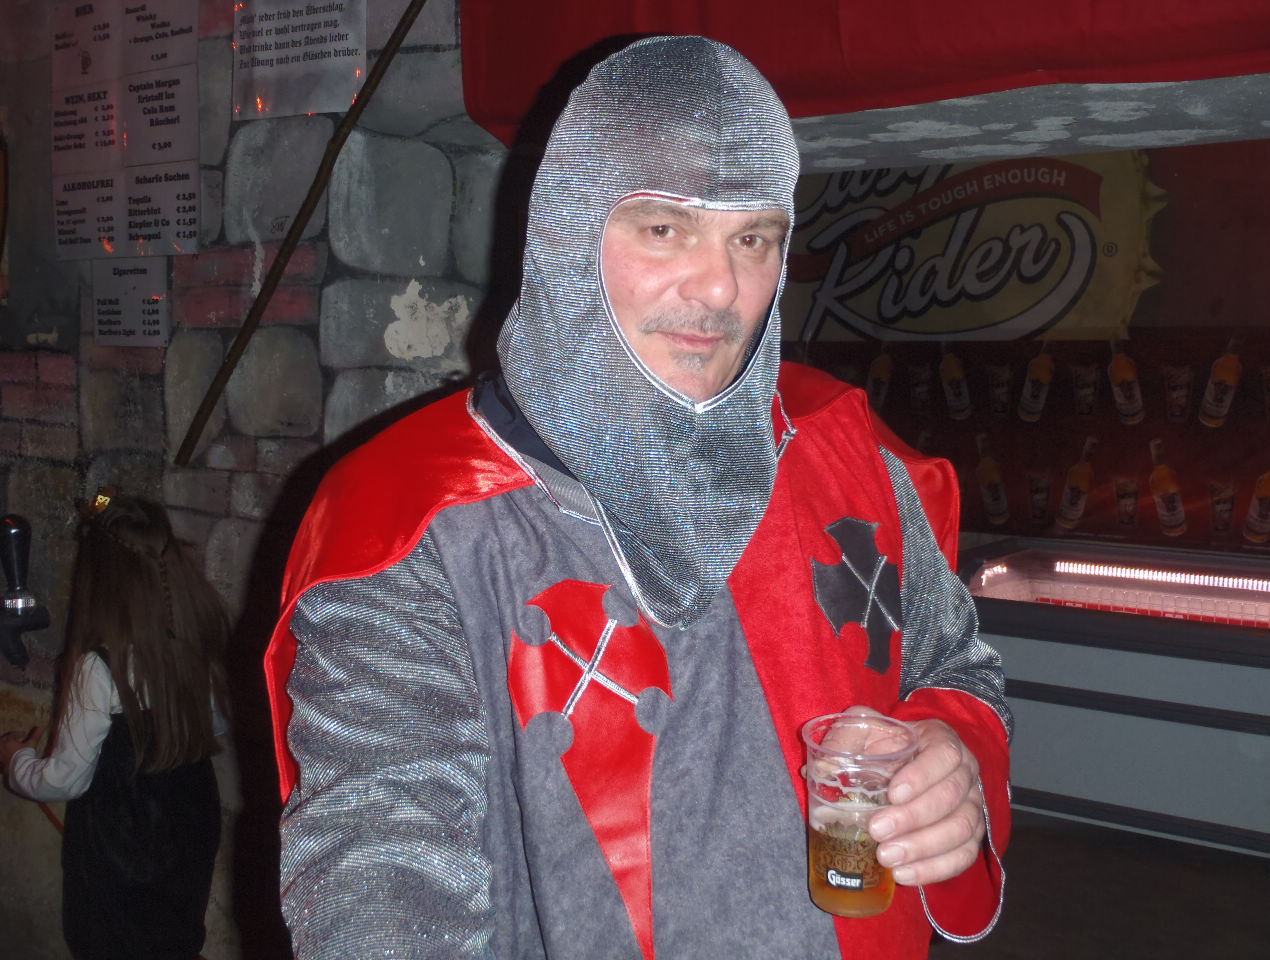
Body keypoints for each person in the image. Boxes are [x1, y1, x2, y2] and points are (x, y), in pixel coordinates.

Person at [265, 35, 1011, 960]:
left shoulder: (848, 454)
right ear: (568, 235)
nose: (721, 285)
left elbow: (956, 666)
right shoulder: (412, 526)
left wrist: (951, 750)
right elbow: (383, 879)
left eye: (753, 238)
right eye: (665, 229)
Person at [1, 491, 228, 960]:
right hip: (190, 822)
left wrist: (14, 760)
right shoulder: (196, 635)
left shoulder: (99, 665)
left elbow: (65, 779)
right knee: (174, 942)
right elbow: (217, 724)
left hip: (122, 847)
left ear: (99, 577)